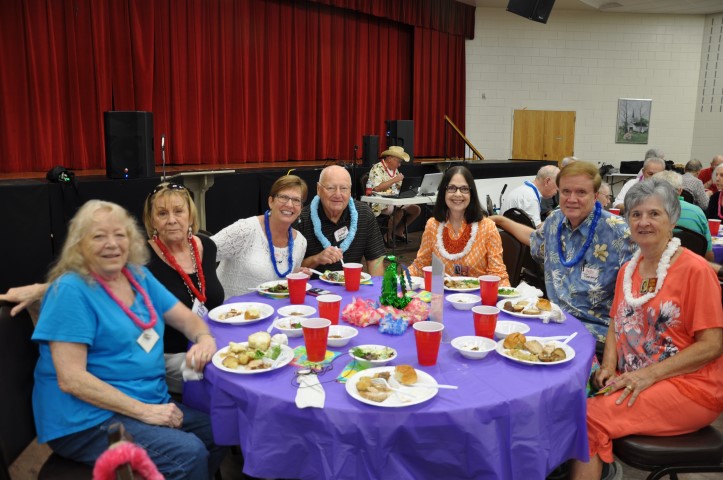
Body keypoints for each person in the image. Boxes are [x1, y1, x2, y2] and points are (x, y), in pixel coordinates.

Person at [31, 200, 225, 479]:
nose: (112, 244)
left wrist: (204, 338)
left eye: (119, 234)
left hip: (146, 399)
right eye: (99, 236)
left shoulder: (136, 276)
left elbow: (187, 320)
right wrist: (145, 412)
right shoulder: (70, 291)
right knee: (189, 454)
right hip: (87, 418)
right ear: (79, 244)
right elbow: (71, 379)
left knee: (220, 430)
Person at [1, 182, 226, 395]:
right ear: (152, 221)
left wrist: (205, 338)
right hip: (163, 356)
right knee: (221, 374)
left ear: (191, 215)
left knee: (232, 361)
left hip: (199, 342)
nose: (172, 220)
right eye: (162, 213)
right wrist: (41, 289)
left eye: (179, 211)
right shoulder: (138, 260)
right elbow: (91, 277)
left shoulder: (204, 247)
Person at [570, 179, 723, 480]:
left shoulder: (696, 270)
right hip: (635, 376)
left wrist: (647, 375)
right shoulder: (628, 270)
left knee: (588, 418)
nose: (643, 222)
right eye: (636, 214)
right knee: (568, 400)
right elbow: (616, 323)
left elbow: (713, 344)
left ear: (672, 220)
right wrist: (609, 366)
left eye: (654, 214)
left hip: (689, 387)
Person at [492, 161, 636, 347]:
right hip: (552, 320)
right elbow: (534, 240)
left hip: (595, 333)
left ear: (595, 196)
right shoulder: (555, 220)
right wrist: (501, 221)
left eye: (581, 192)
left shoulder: (619, 232)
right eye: (566, 191)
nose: (572, 199)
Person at [211, 175, 309, 298]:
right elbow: (201, 254)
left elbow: (282, 281)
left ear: (301, 209)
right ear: (270, 201)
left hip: (271, 308)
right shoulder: (246, 229)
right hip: (229, 308)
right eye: (283, 197)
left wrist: (296, 275)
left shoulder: (300, 242)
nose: (290, 204)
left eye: (296, 200)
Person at [408, 166, 510, 284]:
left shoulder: (488, 227)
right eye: (451, 188)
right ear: (443, 192)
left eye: (464, 189)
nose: (457, 194)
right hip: (442, 294)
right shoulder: (433, 225)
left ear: (471, 193)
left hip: (478, 295)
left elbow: (497, 274)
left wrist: (506, 294)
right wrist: (397, 282)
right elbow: (420, 266)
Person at [298, 165, 386, 276]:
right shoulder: (302, 219)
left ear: (350, 191)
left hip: (351, 284)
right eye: (331, 188)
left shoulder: (364, 214)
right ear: (318, 189)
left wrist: (379, 286)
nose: (338, 194)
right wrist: (316, 259)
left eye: (344, 188)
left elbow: (375, 260)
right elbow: (293, 269)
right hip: (313, 285)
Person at [653, 170, 713, 260]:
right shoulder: (697, 212)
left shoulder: (645, 213)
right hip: (692, 265)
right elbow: (708, 255)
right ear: (680, 190)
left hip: (655, 264)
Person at [368, 146, 421, 244]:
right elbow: (376, 188)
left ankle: (398, 231)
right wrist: (394, 180)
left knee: (416, 210)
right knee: (399, 211)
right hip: (379, 201)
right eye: (398, 161)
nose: (399, 165)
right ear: (389, 159)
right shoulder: (377, 168)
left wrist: (407, 187)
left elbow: (398, 186)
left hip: (394, 200)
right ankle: (387, 236)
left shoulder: (394, 169)